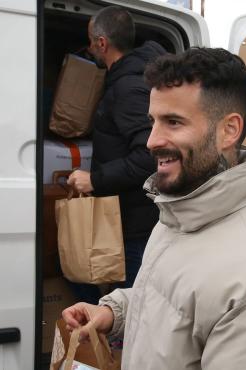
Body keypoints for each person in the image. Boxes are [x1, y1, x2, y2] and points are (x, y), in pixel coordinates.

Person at [62, 48, 246, 369]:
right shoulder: (179, 214)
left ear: (229, 130)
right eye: (153, 121)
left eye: (173, 122)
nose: (151, 140)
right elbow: (179, 299)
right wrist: (115, 311)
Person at [67, 6, 166, 303]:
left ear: (102, 43)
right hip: (123, 217)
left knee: (130, 313)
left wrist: (94, 180)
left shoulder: (128, 87)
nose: (89, 49)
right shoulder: (126, 79)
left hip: (134, 223)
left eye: (90, 42)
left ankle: (119, 350)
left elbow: (149, 156)